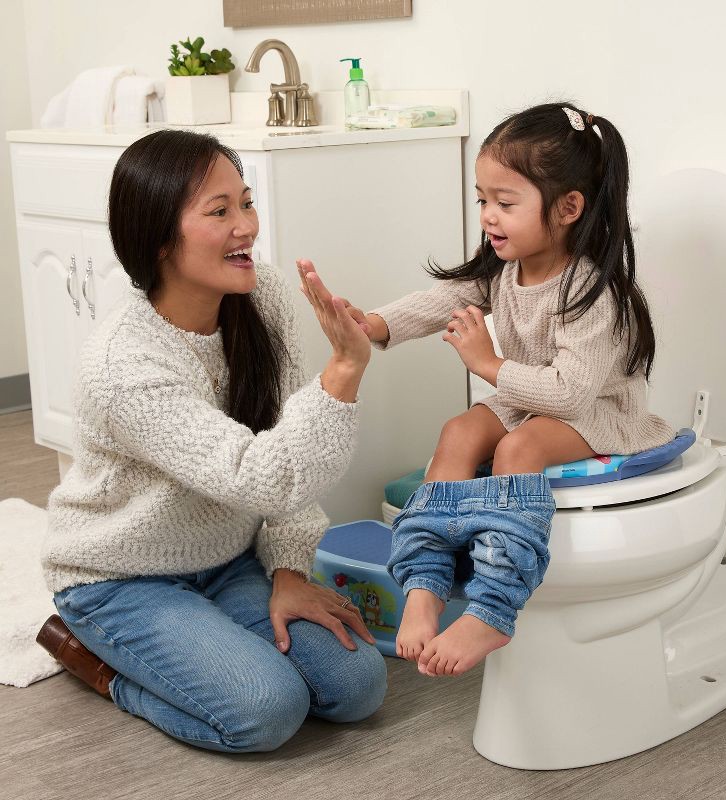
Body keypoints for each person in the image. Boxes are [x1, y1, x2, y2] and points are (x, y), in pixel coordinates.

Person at [36, 129, 387, 753]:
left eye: (246, 203)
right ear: (158, 238)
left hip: (228, 558)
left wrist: (288, 568)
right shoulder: (124, 364)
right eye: (219, 211)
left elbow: (285, 441)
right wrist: (342, 372)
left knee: (357, 687)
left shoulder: (261, 296)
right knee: (268, 711)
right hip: (121, 577)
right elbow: (264, 475)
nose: (246, 226)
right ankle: (99, 665)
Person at [342, 103, 675, 677]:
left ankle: (493, 608)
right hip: (530, 401)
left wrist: (487, 363)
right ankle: (424, 582)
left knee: (519, 448)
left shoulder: (591, 292)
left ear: (568, 208)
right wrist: (372, 325)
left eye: (505, 202)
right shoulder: (504, 269)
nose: (488, 217)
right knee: (460, 430)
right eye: (482, 200)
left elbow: (570, 395)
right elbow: (442, 301)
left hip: (598, 412)